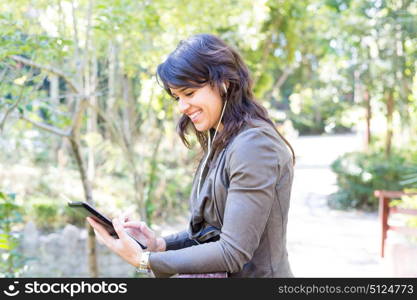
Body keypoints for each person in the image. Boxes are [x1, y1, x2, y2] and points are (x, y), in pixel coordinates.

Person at [87, 33, 295, 278]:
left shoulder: (255, 144)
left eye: (189, 93)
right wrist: (160, 246)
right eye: (177, 97)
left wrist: (145, 261)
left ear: (224, 83)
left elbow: (232, 251)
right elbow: (211, 232)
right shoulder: (222, 141)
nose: (182, 107)